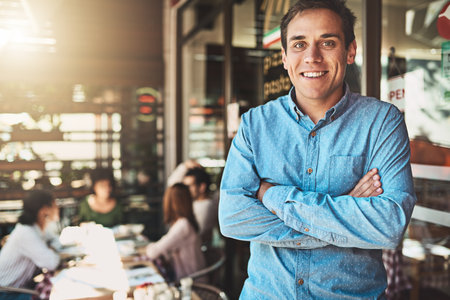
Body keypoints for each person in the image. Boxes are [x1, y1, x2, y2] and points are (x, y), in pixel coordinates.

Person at [219, 0, 416, 299]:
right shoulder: (254, 125)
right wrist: (344, 207)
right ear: (284, 57)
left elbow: (389, 224)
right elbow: (233, 217)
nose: (312, 57)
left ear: (350, 51)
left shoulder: (381, 122)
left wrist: (272, 195)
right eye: (299, 44)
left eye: (327, 42)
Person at [0, 190, 60, 299]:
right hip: (6, 293)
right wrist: (51, 248)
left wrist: (50, 248)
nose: (57, 208)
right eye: (54, 205)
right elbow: (52, 263)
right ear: (44, 210)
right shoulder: (26, 233)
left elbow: (55, 240)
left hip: (19, 287)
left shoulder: (35, 228)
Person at [145, 183, 206, 281]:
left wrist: (148, 246)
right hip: (191, 279)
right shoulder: (186, 222)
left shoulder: (183, 225)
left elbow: (153, 252)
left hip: (192, 284)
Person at [183, 167, 218, 247]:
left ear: (202, 187)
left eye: (189, 186)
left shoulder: (205, 206)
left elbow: (196, 235)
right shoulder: (198, 203)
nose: (185, 190)